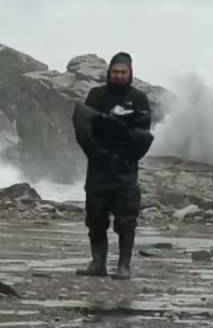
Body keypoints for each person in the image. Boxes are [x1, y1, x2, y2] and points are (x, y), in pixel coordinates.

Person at [72, 52, 153, 280]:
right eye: (115, 72)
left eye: (123, 72)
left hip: (125, 168)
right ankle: (98, 262)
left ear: (130, 74)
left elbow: (144, 132)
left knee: (126, 218)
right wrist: (98, 152)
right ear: (109, 72)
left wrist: (124, 147)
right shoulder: (96, 96)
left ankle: (124, 266)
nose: (118, 76)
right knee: (95, 216)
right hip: (98, 166)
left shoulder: (139, 99)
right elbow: (84, 128)